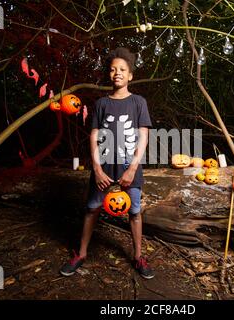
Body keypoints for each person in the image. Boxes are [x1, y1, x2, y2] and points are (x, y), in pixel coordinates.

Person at [60, 47, 154, 279]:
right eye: (113, 70)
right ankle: (81, 254)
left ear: (130, 75)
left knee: (134, 212)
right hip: (104, 162)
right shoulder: (101, 104)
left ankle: (138, 256)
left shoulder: (138, 102)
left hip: (128, 163)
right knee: (92, 209)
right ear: (109, 74)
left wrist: (132, 168)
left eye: (122, 69)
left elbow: (144, 136)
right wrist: (97, 169)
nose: (117, 73)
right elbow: (93, 136)